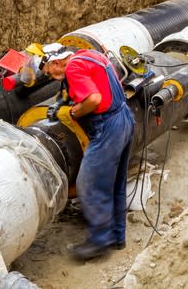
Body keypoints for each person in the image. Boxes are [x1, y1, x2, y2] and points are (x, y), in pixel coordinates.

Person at [41, 43, 135, 260]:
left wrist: (75, 111)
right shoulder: (88, 55)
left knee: (88, 183)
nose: (52, 77)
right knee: (116, 182)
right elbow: (90, 84)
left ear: (56, 62)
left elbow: (93, 99)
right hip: (124, 118)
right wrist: (62, 101)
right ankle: (118, 236)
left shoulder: (73, 68)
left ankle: (100, 241)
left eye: (50, 73)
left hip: (107, 127)